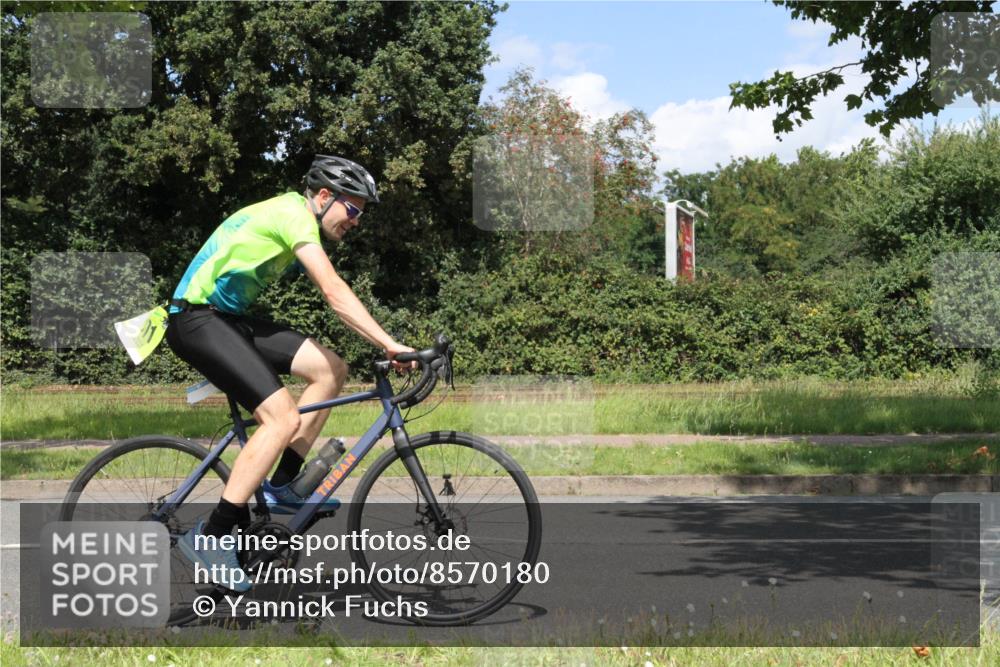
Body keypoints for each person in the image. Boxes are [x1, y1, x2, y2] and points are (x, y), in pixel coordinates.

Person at [166, 155, 413, 591]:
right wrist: (390, 343)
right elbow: (334, 291)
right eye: (353, 210)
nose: (356, 221)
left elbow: (335, 300)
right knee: (282, 417)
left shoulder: (297, 219)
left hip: (225, 320)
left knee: (330, 368)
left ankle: (283, 485)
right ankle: (213, 536)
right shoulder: (292, 215)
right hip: (196, 320)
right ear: (322, 196)